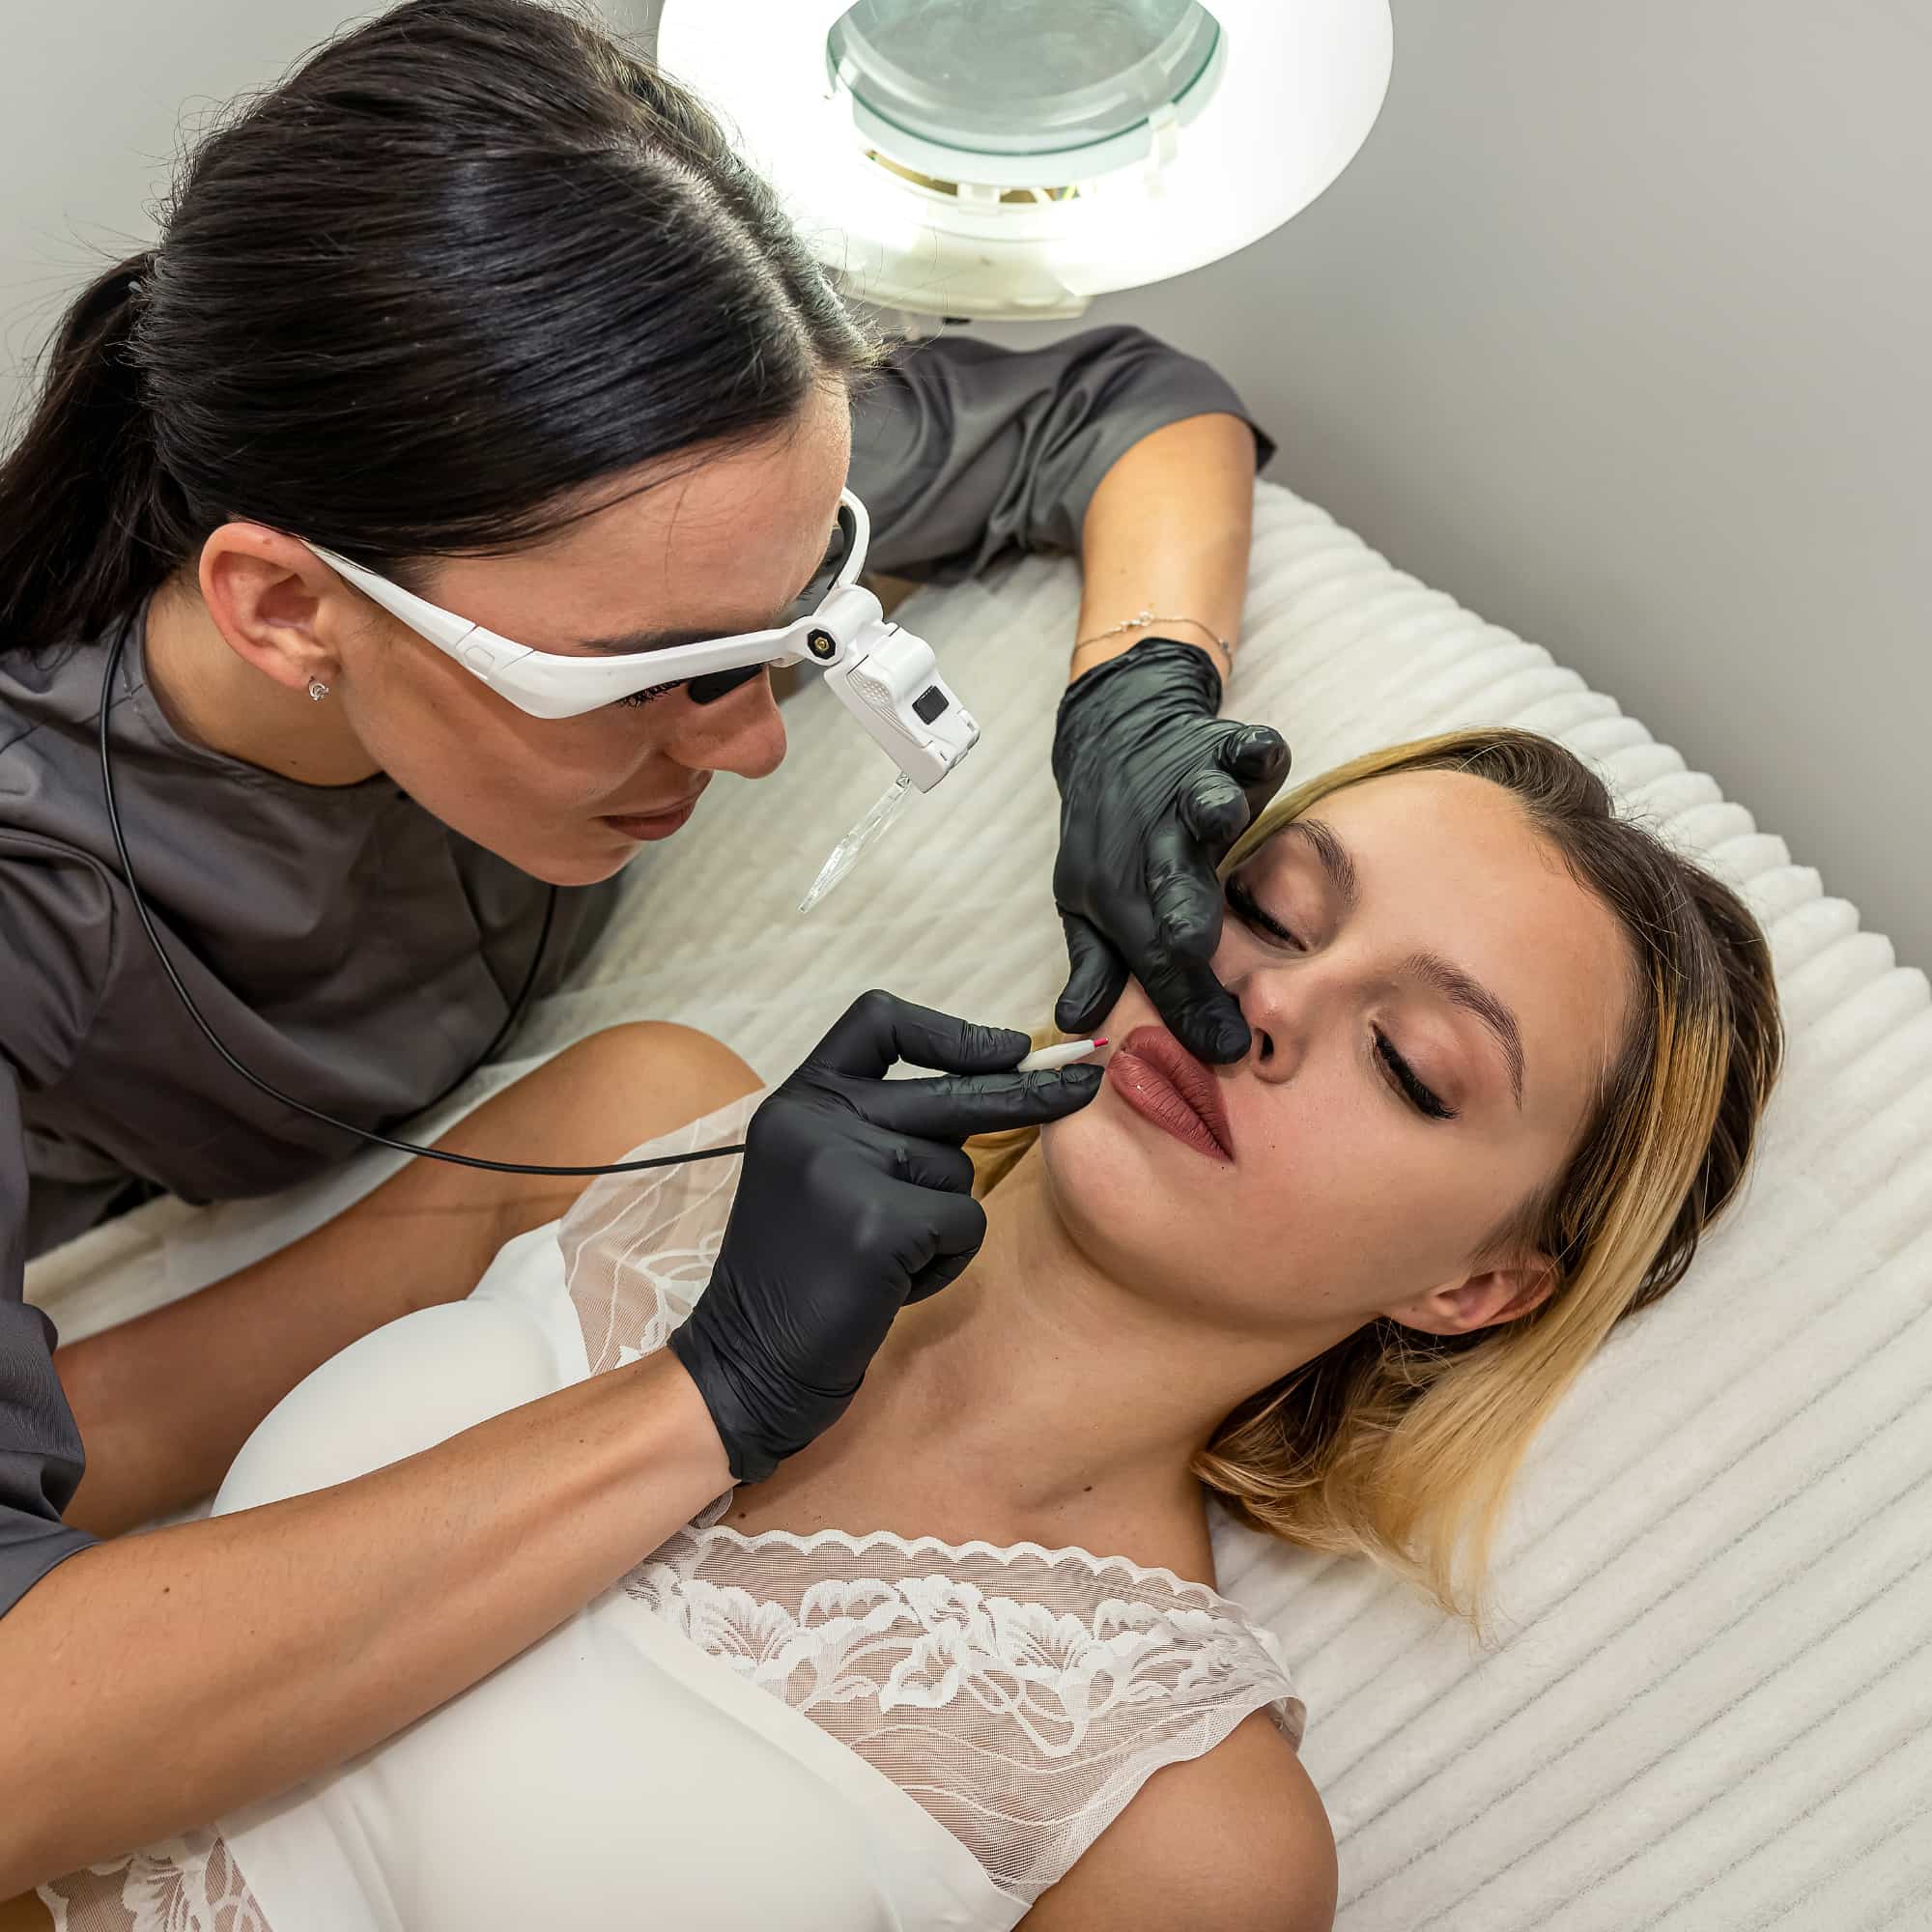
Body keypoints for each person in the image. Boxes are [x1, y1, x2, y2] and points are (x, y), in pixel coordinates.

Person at [0, 0, 1293, 1861]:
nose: (760, 743)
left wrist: (1144, 694)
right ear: (289, 610)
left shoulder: (670, 502)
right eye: (664, 684)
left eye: (798, 623)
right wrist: (716, 1392)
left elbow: (1123, 401)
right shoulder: (41, 894)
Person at [25, 729, 1784, 1929]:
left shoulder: (1179, 1827)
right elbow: (80, 1441)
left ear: (1472, 1287)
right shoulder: (656, 1126)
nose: (1261, 1003)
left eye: (1413, 1064)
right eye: (1266, 908)